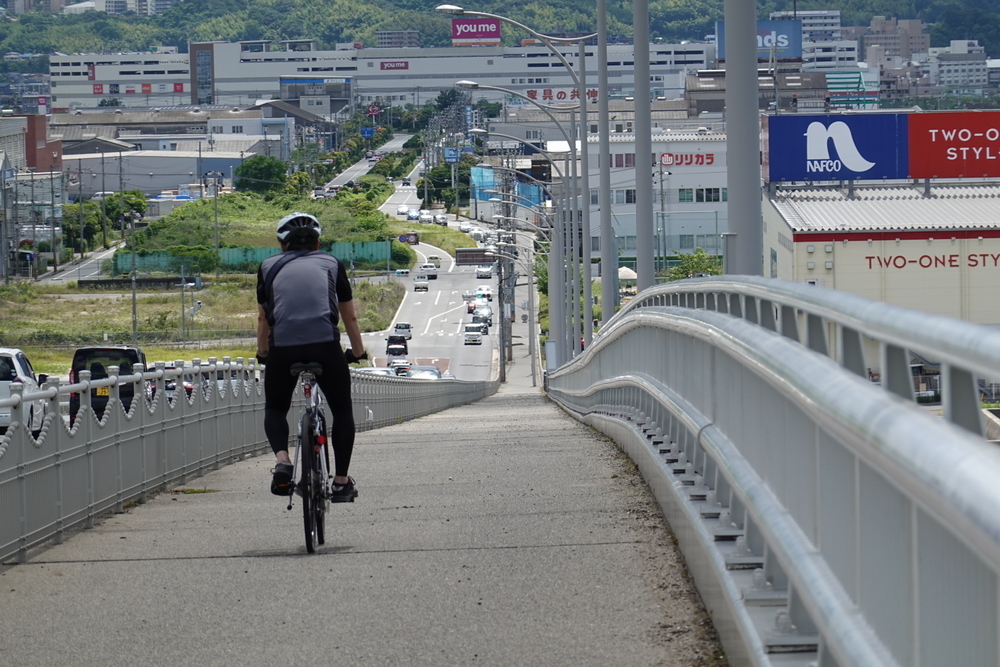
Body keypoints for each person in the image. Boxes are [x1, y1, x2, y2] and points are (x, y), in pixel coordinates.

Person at [256, 212, 366, 501]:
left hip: (283, 348)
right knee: (342, 410)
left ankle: (283, 461)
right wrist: (357, 351)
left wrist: (263, 353)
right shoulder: (332, 263)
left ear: (282, 246)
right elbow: (350, 316)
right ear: (318, 244)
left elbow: (263, 318)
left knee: (275, 409)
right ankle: (341, 482)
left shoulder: (268, 267)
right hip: (325, 346)